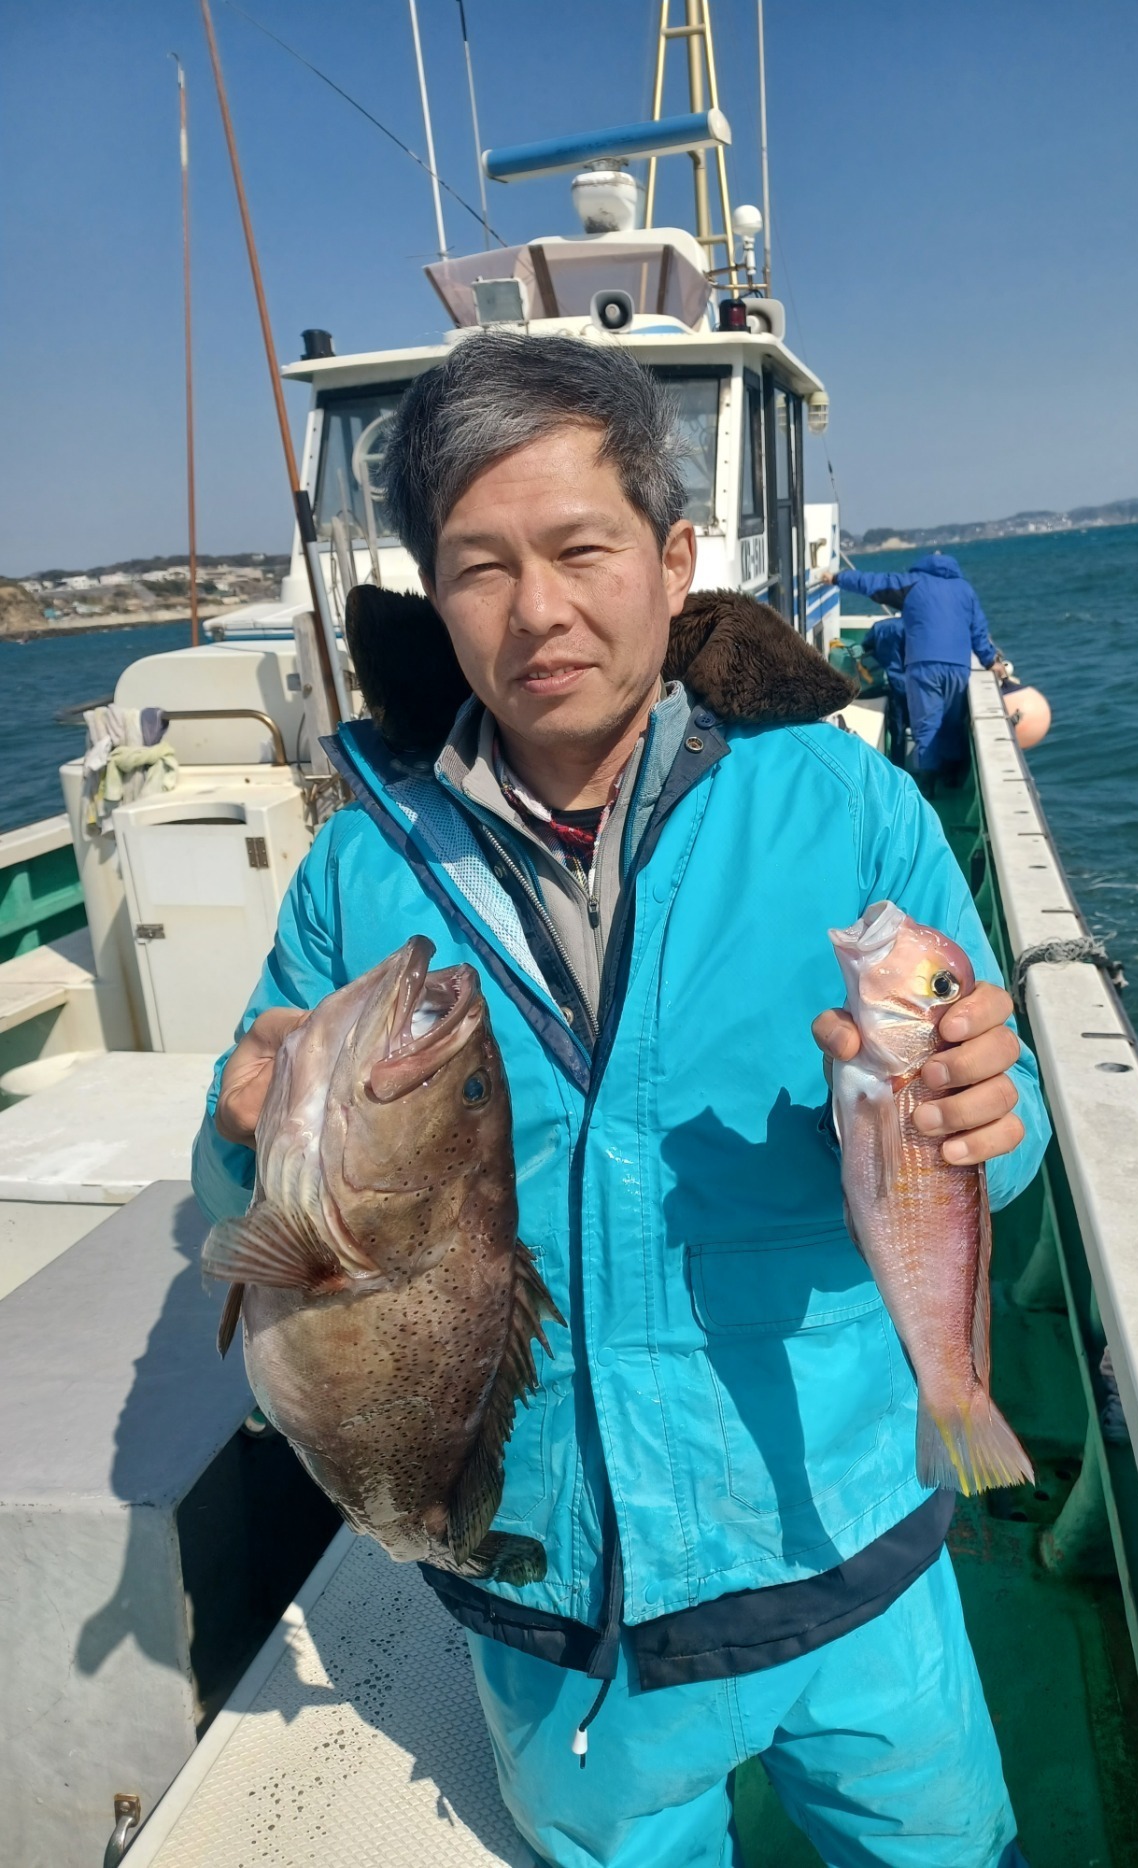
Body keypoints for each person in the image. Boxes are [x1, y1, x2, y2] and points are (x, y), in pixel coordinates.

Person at [193, 332, 1049, 1868]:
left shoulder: (843, 804)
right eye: (478, 568)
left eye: (583, 549)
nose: (538, 612)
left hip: (842, 1541)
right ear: (427, 594)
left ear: (672, 557)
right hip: (557, 1609)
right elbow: (242, 1181)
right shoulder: (355, 871)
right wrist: (238, 1117)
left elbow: (1008, 1116)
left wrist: (998, 1105)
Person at [822, 552, 1001, 786]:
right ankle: (952, 779)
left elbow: (873, 583)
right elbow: (978, 630)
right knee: (951, 724)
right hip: (958, 667)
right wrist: (990, 661)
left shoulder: (914, 582)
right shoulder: (965, 590)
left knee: (926, 726)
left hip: (924, 665)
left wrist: (836, 578)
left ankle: (927, 786)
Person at [861, 613, 908, 766]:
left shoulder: (880, 626)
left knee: (897, 729)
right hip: (913, 685)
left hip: (889, 683)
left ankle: (897, 766)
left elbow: (866, 646)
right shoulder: (916, 628)